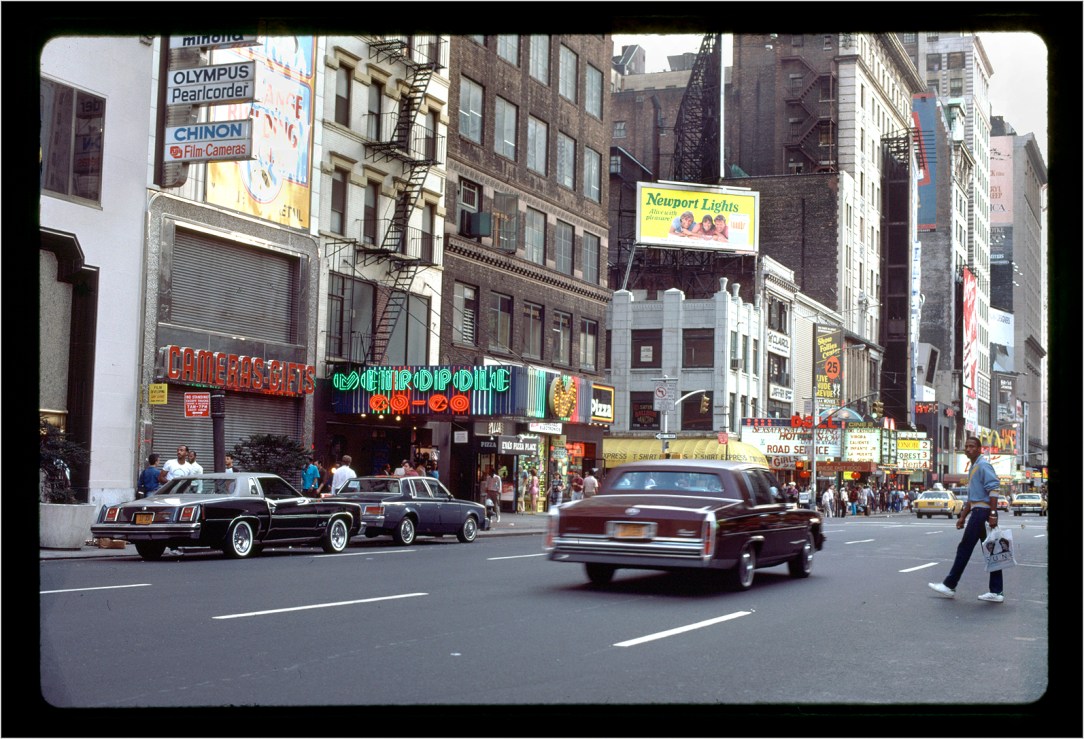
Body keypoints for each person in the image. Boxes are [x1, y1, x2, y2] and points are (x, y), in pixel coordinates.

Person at [929, 436, 1005, 603]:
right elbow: (972, 498)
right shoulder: (974, 466)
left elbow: (994, 489)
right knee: (991, 550)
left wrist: (993, 513)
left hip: (981, 513)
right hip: (978, 511)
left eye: (972, 446)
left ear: (979, 449)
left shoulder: (983, 465)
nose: (968, 449)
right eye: (966, 446)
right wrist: (963, 516)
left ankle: (950, 585)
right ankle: (996, 591)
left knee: (965, 548)